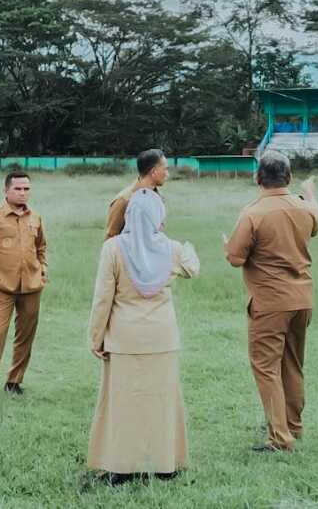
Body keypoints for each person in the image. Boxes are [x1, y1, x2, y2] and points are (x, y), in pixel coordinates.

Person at [87, 189, 199, 484]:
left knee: (122, 402)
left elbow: (102, 299)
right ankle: (165, 465)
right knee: (163, 401)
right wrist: (186, 246)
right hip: (162, 337)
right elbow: (192, 268)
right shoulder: (172, 249)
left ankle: (121, 469)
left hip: (124, 337)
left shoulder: (113, 248)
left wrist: (95, 337)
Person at [224, 151, 318, 452]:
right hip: (302, 298)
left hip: (269, 302)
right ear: (288, 178)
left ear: (258, 178)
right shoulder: (304, 209)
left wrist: (228, 246)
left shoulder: (253, 213)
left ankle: (280, 438)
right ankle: (293, 425)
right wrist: (309, 195)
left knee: (266, 367)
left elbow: (236, 258)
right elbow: (317, 222)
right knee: (292, 364)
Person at [0, 171, 47, 403]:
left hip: (32, 287)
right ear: (5, 191)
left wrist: (42, 270)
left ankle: (14, 381)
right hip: (3, 287)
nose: (23, 193)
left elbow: (41, 247)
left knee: (26, 335)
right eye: (18, 188)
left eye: (26, 189)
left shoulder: (35, 217)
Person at [104, 149, 169, 239]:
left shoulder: (159, 198)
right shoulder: (124, 200)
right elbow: (110, 238)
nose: (167, 174)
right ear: (153, 172)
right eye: (165, 169)